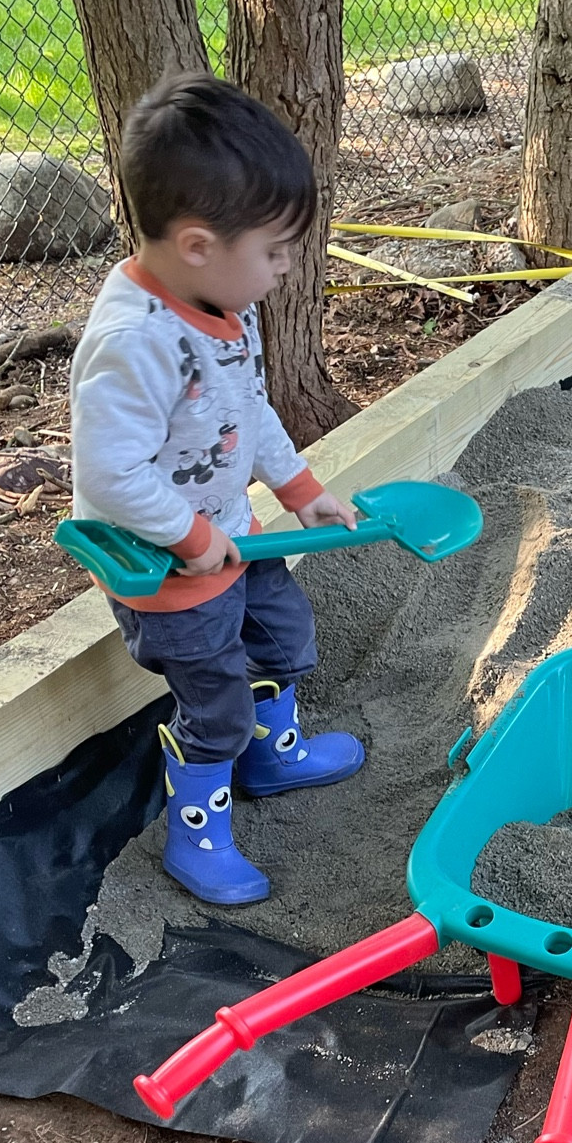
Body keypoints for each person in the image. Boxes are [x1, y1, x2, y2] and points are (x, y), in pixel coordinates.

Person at [70, 73, 364, 907]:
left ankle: (273, 758)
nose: (283, 271)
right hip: (170, 573)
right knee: (215, 709)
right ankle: (196, 834)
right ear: (198, 243)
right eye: (273, 252)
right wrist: (193, 540)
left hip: (240, 536)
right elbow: (108, 476)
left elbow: (248, 408)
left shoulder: (222, 304)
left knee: (285, 642)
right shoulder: (134, 344)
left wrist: (300, 487)